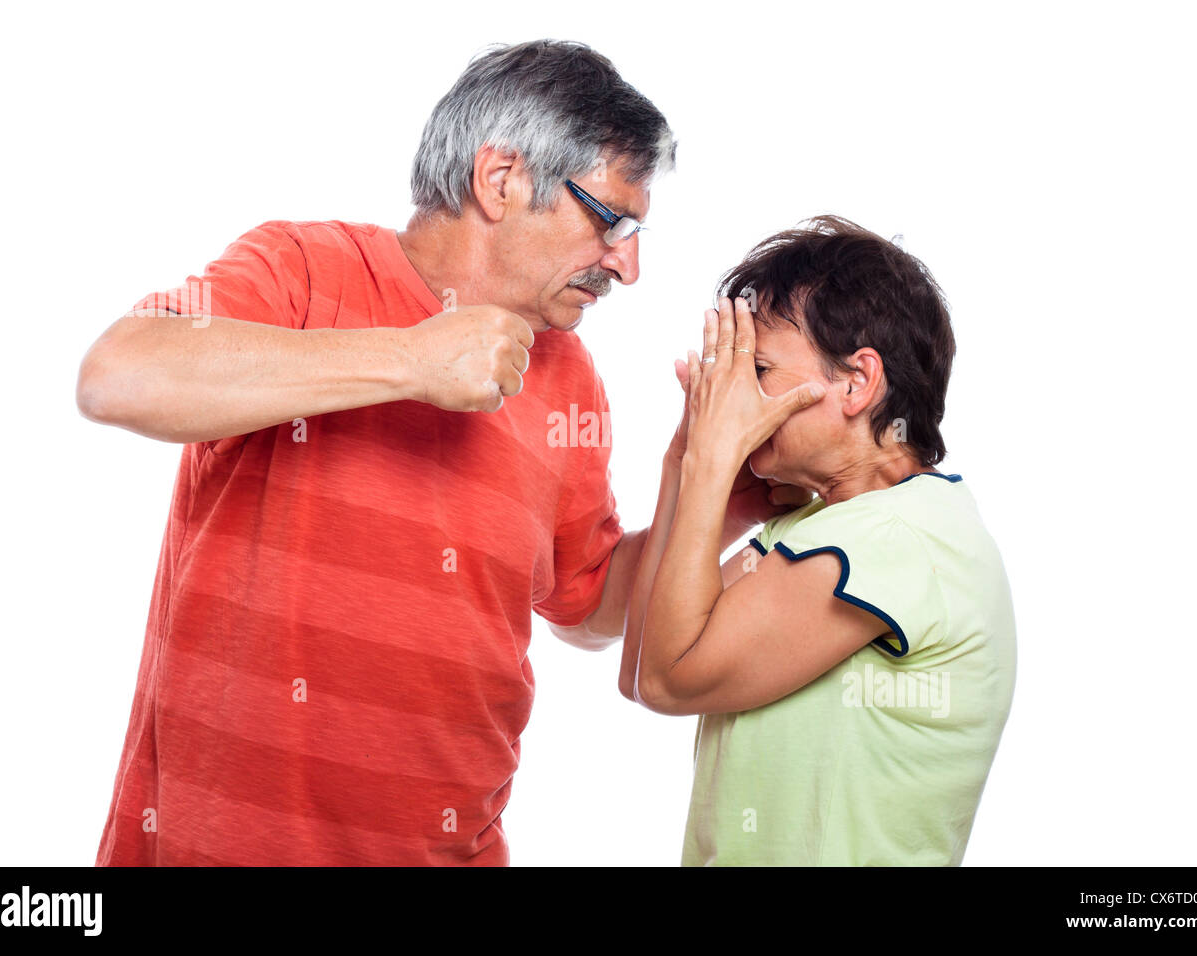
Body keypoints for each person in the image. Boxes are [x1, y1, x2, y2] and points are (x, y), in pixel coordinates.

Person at [75, 39, 750, 866]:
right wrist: (411, 360)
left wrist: (721, 488)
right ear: (499, 180)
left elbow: (590, 603)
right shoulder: (303, 267)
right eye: (610, 220)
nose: (629, 264)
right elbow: (119, 374)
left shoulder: (568, 377)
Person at [619, 216, 1017, 865]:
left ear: (858, 383)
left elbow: (670, 680)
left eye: (761, 367)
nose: (732, 392)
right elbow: (640, 669)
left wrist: (712, 467)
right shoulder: (816, 530)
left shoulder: (898, 537)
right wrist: (687, 470)